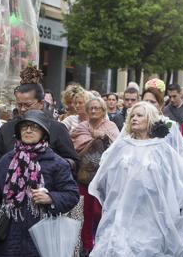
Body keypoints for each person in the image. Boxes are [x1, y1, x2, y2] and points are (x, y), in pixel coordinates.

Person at [89, 102, 183, 256]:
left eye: (140, 115)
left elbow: (177, 179)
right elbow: (104, 176)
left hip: (151, 216)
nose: (134, 118)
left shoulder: (162, 149)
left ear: (150, 119)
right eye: (132, 116)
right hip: (121, 214)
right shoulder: (121, 146)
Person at [0, 110, 79, 257]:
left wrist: (51, 198)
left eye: (34, 127)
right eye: (24, 127)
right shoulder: (6, 161)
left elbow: (72, 195)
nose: (28, 130)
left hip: (42, 237)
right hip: (8, 238)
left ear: (44, 132)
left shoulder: (57, 163)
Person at [0, 68, 79, 173]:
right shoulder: (7, 129)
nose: (22, 109)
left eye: (27, 105)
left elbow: (74, 163)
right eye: (19, 105)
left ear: (41, 103)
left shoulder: (57, 129)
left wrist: (55, 166)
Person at [71, 96, 119, 256]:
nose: (93, 110)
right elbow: (75, 143)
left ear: (103, 110)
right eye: (90, 108)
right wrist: (93, 138)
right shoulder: (81, 126)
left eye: (96, 108)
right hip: (84, 176)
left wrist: (103, 137)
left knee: (99, 211)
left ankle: (101, 243)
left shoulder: (110, 126)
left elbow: (118, 146)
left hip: (104, 177)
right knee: (84, 212)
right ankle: (86, 245)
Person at [140, 87, 183, 161]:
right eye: (146, 101)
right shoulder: (134, 123)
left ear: (160, 105)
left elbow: (180, 151)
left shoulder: (169, 125)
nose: (148, 105)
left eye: (152, 102)